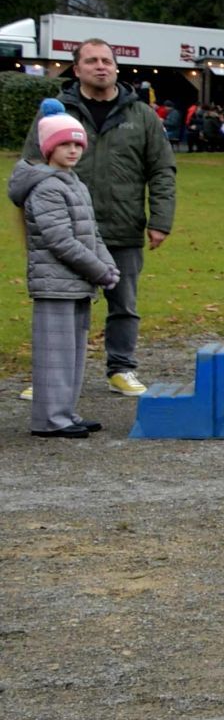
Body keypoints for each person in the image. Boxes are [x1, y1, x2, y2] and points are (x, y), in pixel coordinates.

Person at [27, 39, 177, 396]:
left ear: (116, 68)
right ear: (76, 69)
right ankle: (51, 378)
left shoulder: (140, 114)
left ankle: (121, 369)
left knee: (124, 305)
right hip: (65, 230)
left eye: (107, 61)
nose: (101, 67)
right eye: (91, 61)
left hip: (122, 224)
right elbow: (32, 166)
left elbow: (162, 169)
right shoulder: (55, 112)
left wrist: (160, 219)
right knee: (62, 307)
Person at [11, 102, 120, 438]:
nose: (73, 150)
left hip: (77, 282)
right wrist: (99, 270)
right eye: (65, 144)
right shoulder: (46, 187)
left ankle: (65, 412)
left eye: (77, 144)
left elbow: (92, 233)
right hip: (54, 283)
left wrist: (108, 264)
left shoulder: (73, 182)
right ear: (48, 149)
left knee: (72, 354)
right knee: (53, 356)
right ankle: (49, 420)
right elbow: (60, 240)